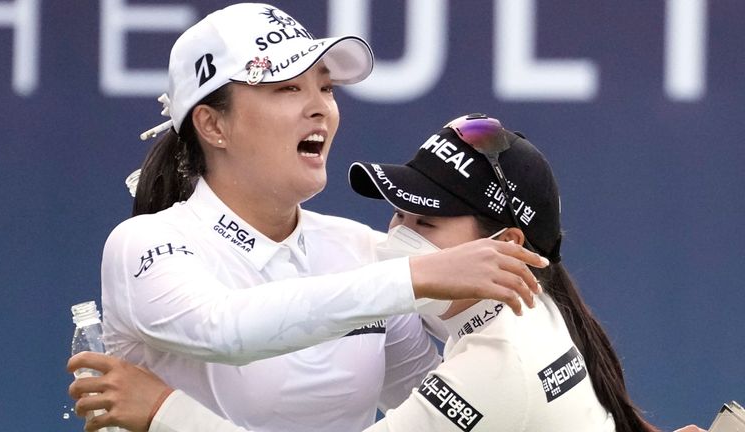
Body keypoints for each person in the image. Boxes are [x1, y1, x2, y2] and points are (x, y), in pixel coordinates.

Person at [72, 113, 706, 432]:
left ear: (508, 245)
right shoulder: (533, 318)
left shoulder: (495, 365)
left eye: (425, 226)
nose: (395, 240)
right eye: (397, 214)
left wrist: (163, 412)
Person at [100, 3, 548, 432]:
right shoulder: (143, 242)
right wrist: (413, 277)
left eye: (326, 87)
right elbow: (225, 330)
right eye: (288, 88)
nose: (320, 107)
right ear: (214, 126)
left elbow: (431, 402)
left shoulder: (360, 250)